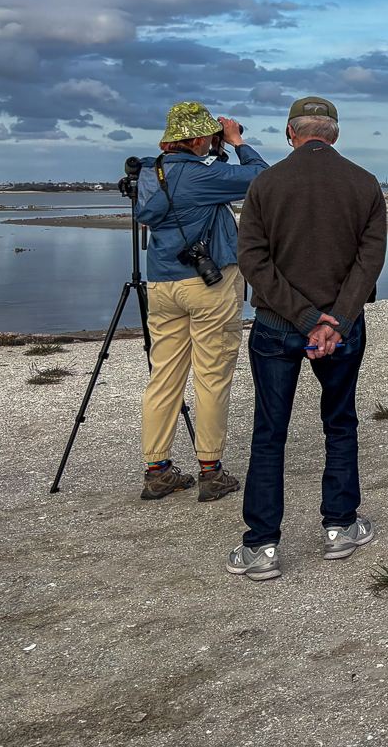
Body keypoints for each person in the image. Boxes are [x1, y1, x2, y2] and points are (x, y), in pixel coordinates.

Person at [228, 97, 387, 581]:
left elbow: (253, 260)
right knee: (339, 423)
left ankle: (262, 546)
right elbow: (370, 260)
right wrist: (334, 320)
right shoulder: (363, 183)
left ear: (289, 134)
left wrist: (303, 317)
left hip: (278, 327)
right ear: (334, 133)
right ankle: (339, 526)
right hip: (339, 327)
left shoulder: (266, 183)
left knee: (269, 433)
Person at [132, 101, 267, 503]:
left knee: (164, 376)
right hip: (208, 284)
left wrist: (216, 147)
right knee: (211, 375)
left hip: (161, 282)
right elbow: (262, 179)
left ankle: (157, 470)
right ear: (197, 138)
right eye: (208, 134)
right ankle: (211, 471)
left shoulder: (149, 173)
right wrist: (237, 141)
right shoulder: (201, 175)